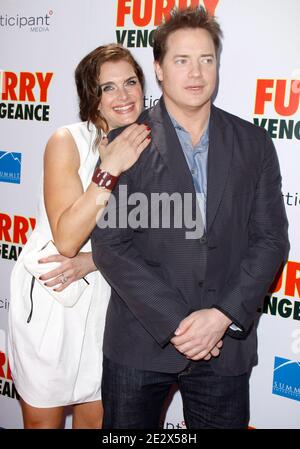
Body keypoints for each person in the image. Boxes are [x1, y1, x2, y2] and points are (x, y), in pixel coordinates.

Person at [91, 7, 289, 429]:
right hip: (142, 341)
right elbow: (111, 246)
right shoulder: (125, 143)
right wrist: (178, 322)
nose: (196, 72)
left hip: (225, 349)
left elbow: (271, 239)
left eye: (207, 59)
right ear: (159, 69)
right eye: (182, 60)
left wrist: (221, 316)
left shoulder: (254, 143)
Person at [8, 43, 149, 429]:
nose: (123, 95)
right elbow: (68, 239)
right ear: (93, 97)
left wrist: (94, 260)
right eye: (108, 87)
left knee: (95, 422)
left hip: (111, 303)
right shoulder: (66, 141)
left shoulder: (152, 146)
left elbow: (157, 235)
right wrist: (110, 168)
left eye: (130, 82)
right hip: (55, 299)